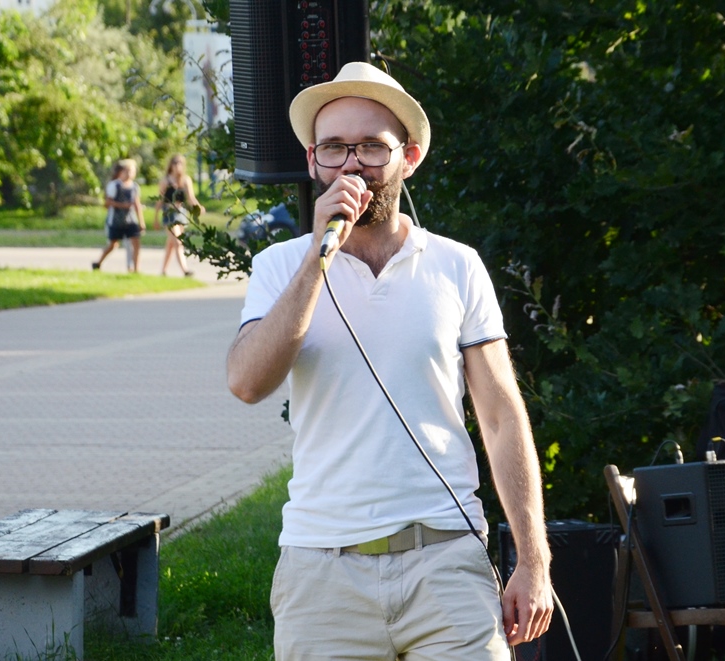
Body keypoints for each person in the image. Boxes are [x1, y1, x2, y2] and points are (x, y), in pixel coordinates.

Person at [227, 62, 553, 660]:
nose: (352, 164)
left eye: (372, 147)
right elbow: (247, 382)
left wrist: (533, 561)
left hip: (447, 561)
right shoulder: (280, 266)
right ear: (312, 162)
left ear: (410, 157)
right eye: (334, 148)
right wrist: (318, 257)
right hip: (323, 572)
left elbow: (502, 417)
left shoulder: (456, 265)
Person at [153, 154, 204, 277]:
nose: (177, 166)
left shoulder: (185, 180)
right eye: (175, 163)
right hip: (169, 213)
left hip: (181, 213)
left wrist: (198, 207)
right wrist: (155, 218)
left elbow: (191, 197)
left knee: (171, 243)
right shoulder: (166, 181)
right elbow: (160, 200)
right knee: (177, 241)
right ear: (171, 165)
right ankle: (185, 270)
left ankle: (163, 270)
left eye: (180, 163)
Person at [93, 158, 145, 273]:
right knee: (113, 244)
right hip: (116, 220)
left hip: (130, 220)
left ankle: (136, 269)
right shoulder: (114, 185)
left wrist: (141, 221)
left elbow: (137, 204)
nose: (130, 173)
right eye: (128, 170)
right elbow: (107, 203)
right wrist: (122, 205)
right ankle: (98, 262)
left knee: (135, 243)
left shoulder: (135, 187)